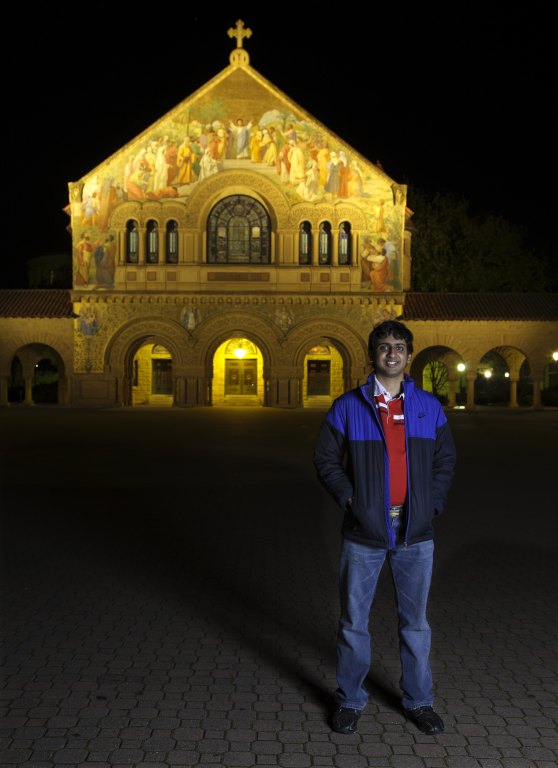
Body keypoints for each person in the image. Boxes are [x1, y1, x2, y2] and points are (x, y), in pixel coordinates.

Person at [313, 320, 456, 736]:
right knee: (353, 621)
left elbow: (445, 460)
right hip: (364, 532)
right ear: (372, 355)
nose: (392, 353)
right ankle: (350, 700)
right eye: (383, 347)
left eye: (399, 347)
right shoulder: (348, 405)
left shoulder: (428, 406)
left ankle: (419, 701)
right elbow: (325, 458)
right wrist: (350, 499)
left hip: (416, 532)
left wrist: (431, 504)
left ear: (409, 355)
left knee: (416, 623)